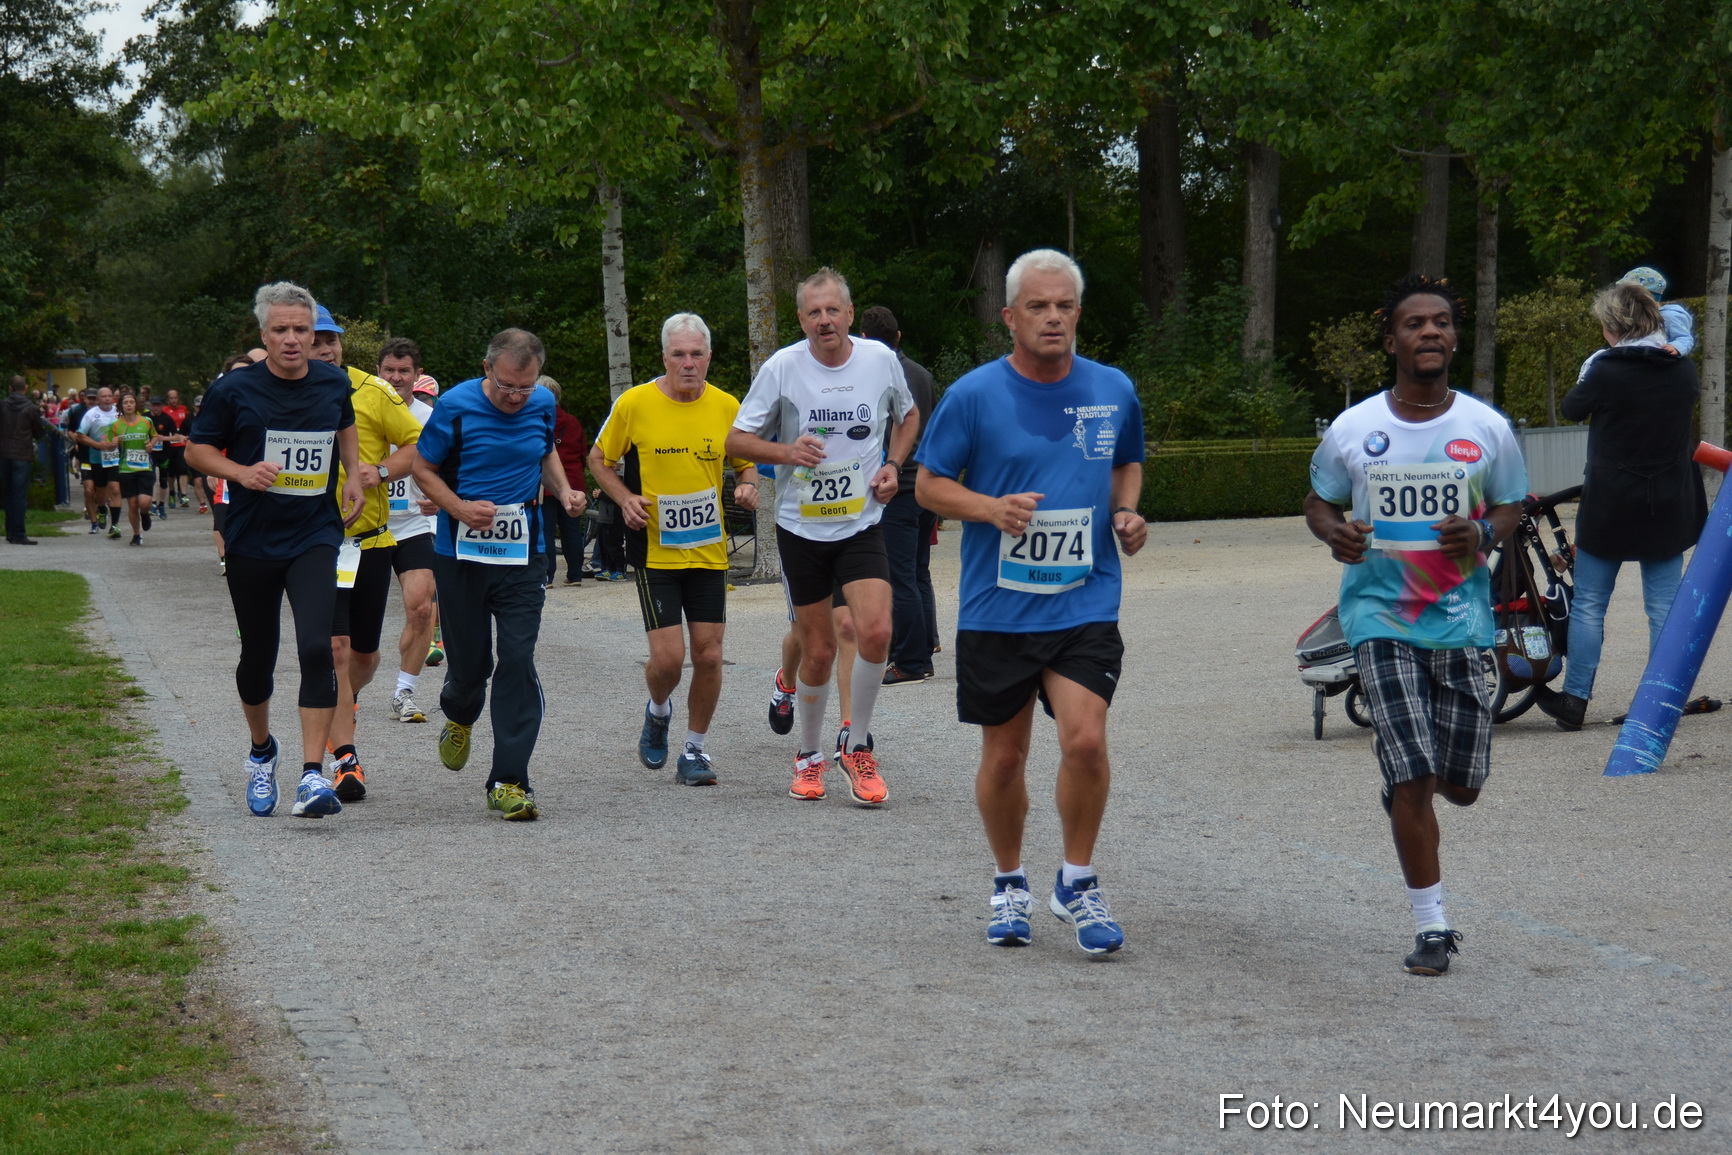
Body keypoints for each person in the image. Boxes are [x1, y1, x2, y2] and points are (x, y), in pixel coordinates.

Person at [915, 250, 1147, 955]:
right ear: (1009, 316)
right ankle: (1009, 880)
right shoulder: (974, 394)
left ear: (1079, 312)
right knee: (1006, 756)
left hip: (1084, 601)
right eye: (1039, 307)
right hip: (998, 606)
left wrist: (1128, 512)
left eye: (1065, 305)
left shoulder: (1112, 388)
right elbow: (927, 484)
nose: (1053, 318)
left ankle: (1077, 880)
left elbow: (1127, 459)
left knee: (1084, 737)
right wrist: (988, 507)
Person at [1304, 273, 1527, 976]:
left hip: (1460, 619)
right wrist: (1335, 532)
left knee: (1459, 784)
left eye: (1440, 322)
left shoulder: (1488, 428)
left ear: (1454, 337)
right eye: (1414, 323)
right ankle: (1433, 926)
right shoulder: (1354, 428)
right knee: (1413, 771)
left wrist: (1484, 534)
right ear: (1391, 339)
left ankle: (1413, 789)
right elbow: (1318, 502)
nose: (1429, 332)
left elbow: (1510, 506)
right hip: (1378, 615)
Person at [726, 267, 918, 806]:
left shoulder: (879, 360)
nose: (824, 320)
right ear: (801, 320)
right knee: (818, 651)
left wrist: (893, 465)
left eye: (833, 309)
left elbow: (909, 414)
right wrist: (786, 452)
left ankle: (855, 746)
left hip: (860, 523)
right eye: (814, 312)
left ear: (850, 314)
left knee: (876, 631)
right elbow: (735, 439)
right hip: (801, 528)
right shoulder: (783, 367)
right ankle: (808, 757)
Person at [185, 281, 365, 820]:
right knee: (258, 656)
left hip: (314, 533)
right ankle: (263, 751)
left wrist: (353, 475)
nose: (292, 339)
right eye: (281, 330)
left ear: (316, 334)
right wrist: (241, 471)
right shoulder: (233, 390)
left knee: (317, 645)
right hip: (252, 537)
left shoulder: (333, 381)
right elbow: (196, 450)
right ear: (264, 334)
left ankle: (312, 777)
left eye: (302, 330)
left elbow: (345, 424)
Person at [411, 328, 587, 821]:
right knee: (470, 670)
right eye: (507, 385)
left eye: (524, 387)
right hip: (461, 555)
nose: (515, 397)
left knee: (516, 658)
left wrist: (566, 490)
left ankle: (509, 780)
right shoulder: (455, 405)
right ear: (487, 368)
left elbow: (545, 452)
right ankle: (459, 713)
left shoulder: (541, 405)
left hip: (523, 554)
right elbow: (423, 469)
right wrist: (460, 508)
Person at [589, 313, 760, 786]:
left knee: (708, 656)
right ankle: (658, 708)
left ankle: (694, 750)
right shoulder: (635, 403)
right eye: (679, 355)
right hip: (654, 551)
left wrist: (748, 487)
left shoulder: (727, 406)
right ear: (664, 357)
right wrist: (624, 498)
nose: (688, 364)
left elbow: (747, 464)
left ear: (709, 358)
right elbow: (599, 459)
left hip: (708, 552)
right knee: (668, 660)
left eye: (697, 354)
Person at [1535, 282, 1709, 731]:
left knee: (1591, 603)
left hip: (1612, 500)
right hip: (1667, 500)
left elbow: (1574, 408)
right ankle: (1663, 701)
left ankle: (1575, 702)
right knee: (1665, 605)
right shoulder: (1683, 371)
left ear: (1613, 326)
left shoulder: (1606, 370)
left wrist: (1595, 365)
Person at [310, 308, 424, 801]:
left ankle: (344, 701)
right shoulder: (284, 395)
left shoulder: (372, 391)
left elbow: (418, 443)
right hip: (315, 544)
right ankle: (345, 758)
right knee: (333, 649)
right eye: (315, 341)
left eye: (330, 339)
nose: (325, 348)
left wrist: (381, 470)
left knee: (364, 653)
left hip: (370, 539)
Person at [859, 305, 940, 685]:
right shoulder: (923, 374)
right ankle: (926, 644)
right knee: (919, 571)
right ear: (899, 336)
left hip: (897, 486)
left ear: (862, 339)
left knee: (900, 576)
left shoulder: (874, 377)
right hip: (925, 484)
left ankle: (909, 660)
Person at [375, 339, 440, 724]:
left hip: (415, 523)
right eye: (389, 370)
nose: (396, 377)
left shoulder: (431, 418)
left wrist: (442, 496)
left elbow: (450, 467)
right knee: (353, 625)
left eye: (404, 371)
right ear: (378, 372)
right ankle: (348, 692)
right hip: (367, 526)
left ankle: (404, 691)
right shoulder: (360, 410)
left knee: (420, 607)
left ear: (417, 375)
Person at [541, 375, 590, 587]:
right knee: (572, 531)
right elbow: (582, 453)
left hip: (546, 485)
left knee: (546, 531)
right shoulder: (572, 422)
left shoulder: (537, 420)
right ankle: (575, 575)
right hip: (573, 483)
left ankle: (547, 575)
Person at [2, 374, 51, 544]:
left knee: (8, 494)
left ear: (9, 388)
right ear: (26, 388)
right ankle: (19, 533)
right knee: (19, 495)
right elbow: (39, 433)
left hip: (3, 454)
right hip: (22, 455)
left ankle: (10, 531)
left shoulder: (2, 405)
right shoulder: (30, 408)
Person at [111, 393, 160, 545]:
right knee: (132, 504)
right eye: (125, 402)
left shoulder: (146, 421)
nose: (129, 405)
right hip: (126, 469)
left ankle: (145, 513)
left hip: (145, 467)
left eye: (131, 402)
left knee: (144, 502)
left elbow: (155, 436)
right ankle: (136, 534)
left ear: (136, 405)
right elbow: (109, 443)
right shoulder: (116, 425)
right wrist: (112, 443)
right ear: (121, 406)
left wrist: (151, 445)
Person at [76, 387, 124, 538]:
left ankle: (115, 525)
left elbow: (129, 429)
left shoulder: (119, 412)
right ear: (98, 399)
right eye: (104, 396)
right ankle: (102, 508)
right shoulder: (91, 414)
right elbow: (80, 435)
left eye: (110, 396)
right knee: (98, 491)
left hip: (115, 457)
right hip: (96, 458)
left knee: (115, 489)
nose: (107, 399)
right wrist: (98, 445)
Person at [162, 388, 192, 508]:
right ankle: (171, 492)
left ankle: (184, 495)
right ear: (167, 399)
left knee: (183, 469)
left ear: (178, 398)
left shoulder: (183, 409)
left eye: (175, 397)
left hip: (181, 444)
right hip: (169, 444)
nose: (173, 400)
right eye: (171, 398)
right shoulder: (164, 411)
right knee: (171, 472)